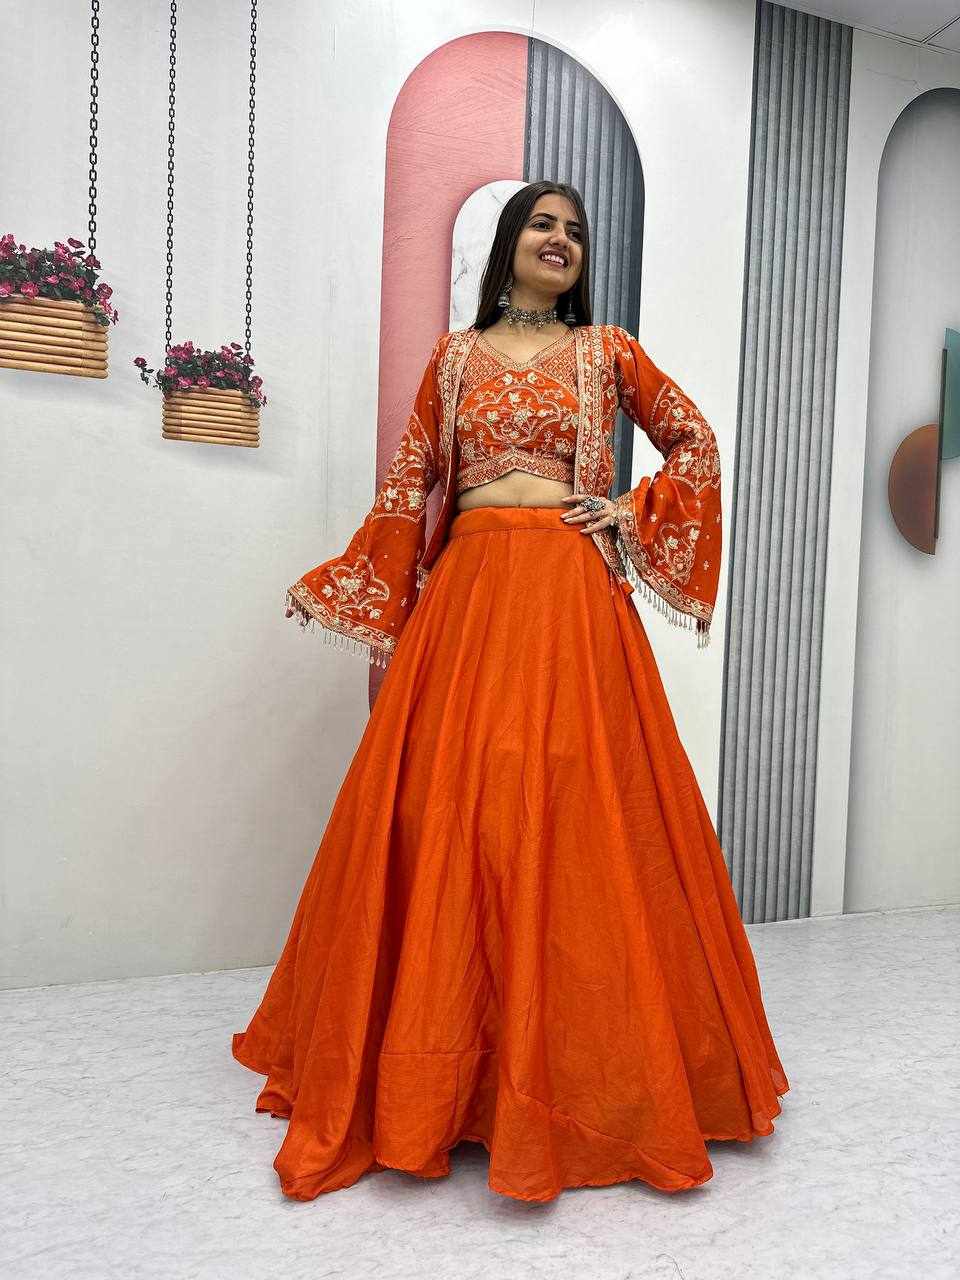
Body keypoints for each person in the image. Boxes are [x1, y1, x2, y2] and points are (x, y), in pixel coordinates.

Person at [232, 181, 790, 1204]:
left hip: (570, 595)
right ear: (510, 241)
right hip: (472, 595)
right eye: (543, 223)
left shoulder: (608, 351)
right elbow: (407, 486)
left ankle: (589, 1075)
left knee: (578, 810)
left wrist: (627, 509)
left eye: (575, 231)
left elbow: (697, 443)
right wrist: (354, 584)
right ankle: (447, 1073)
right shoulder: (452, 359)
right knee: (459, 813)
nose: (560, 240)